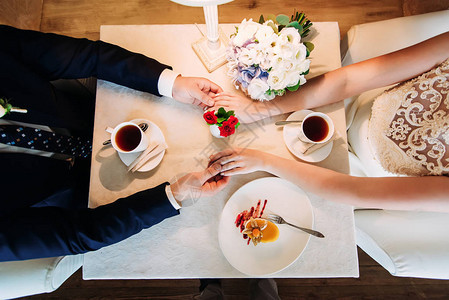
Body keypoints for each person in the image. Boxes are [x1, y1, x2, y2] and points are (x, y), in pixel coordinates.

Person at [0, 25, 228, 262]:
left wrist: (172, 84)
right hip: (74, 192)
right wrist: (172, 196)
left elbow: (87, 56)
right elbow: (77, 235)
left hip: (88, 111)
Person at [209, 31, 449, 213]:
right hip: (354, 103)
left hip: (360, 176)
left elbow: (356, 191)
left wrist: (263, 160)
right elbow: (347, 82)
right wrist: (261, 110)